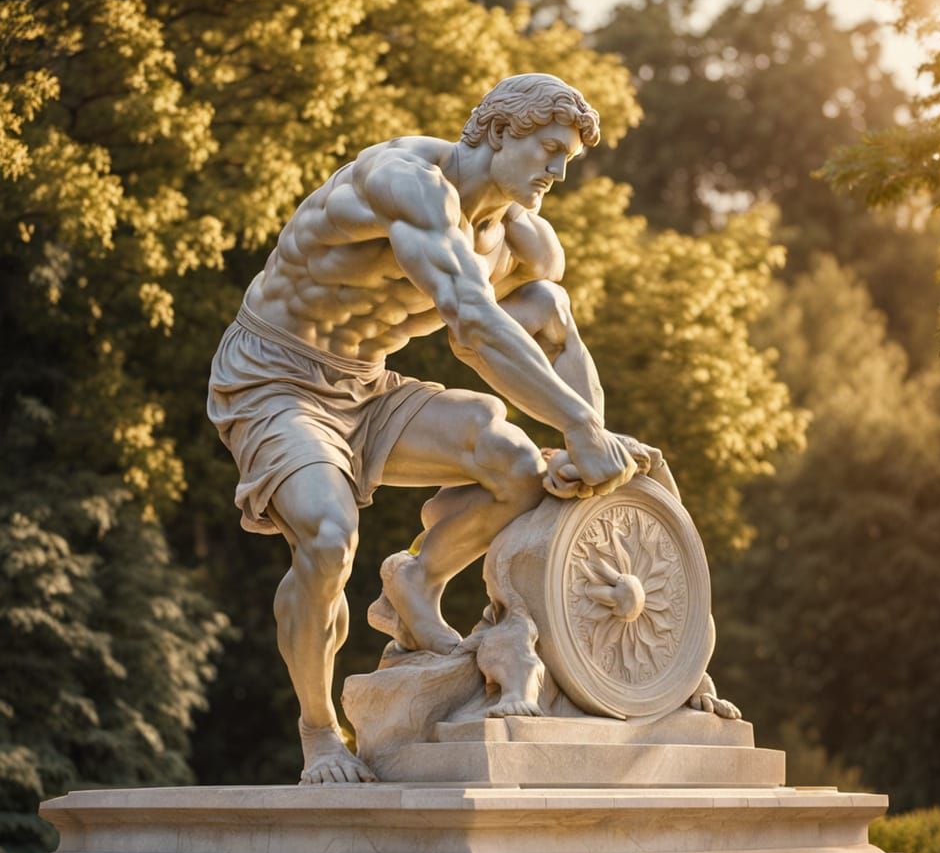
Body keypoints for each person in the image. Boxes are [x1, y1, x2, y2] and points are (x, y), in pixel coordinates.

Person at [208, 73, 676, 784]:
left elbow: (550, 322)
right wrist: (577, 424)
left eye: (566, 161)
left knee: (516, 466)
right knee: (329, 540)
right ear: (497, 132)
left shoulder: (523, 242)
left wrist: (588, 451)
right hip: (276, 379)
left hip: (368, 389)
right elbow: (470, 326)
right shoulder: (405, 180)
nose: (555, 172)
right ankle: (319, 732)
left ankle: (415, 583)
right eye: (547, 149)